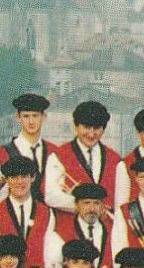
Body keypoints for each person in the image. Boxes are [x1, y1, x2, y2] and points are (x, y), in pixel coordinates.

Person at [46, 100, 131, 241]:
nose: (91, 134)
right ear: (76, 126)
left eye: (97, 128)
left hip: (105, 235)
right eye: (86, 127)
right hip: (68, 235)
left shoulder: (116, 160)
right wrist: (88, 206)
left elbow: (121, 205)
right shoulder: (57, 156)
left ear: (103, 129)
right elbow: (51, 196)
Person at [0, 92, 54, 204]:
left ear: (43, 117)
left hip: (47, 218)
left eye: (35, 116)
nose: (31, 121)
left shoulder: (53, 152)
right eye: (26, 116)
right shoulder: (2, 154)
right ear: (18, 118)